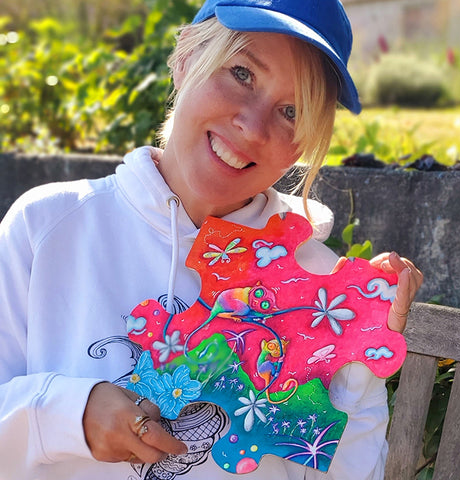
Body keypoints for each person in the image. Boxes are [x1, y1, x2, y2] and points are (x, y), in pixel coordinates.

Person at [0, 1, 423, 479]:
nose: (252, 125)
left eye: (290, 111)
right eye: (242, 73)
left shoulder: (321, 286)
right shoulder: (46, 228)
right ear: (185, 59)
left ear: (303, 143)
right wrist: (69, 415)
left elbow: (350, 471)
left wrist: (352, 361)